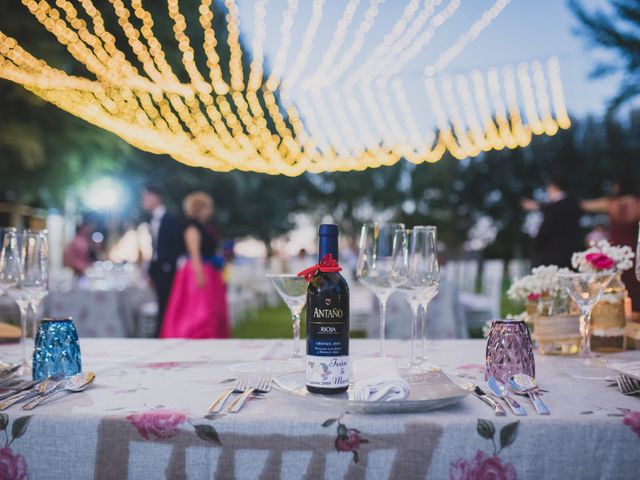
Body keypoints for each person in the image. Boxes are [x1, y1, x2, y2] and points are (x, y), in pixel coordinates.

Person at [161, 192, 230, 338]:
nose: (210, 210)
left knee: (211, 307)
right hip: (199, 269)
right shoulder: (192, 227)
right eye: (207, 207)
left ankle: (212, 334)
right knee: (200, 308)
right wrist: (199, 274)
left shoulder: (204, 226)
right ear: (200, 208)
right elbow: (194, 253)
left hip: (210, 269)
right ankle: (198, 334)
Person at [581, 179, 640, 313]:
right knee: (634, 284)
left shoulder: (611, 203)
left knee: (618, 282)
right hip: (633, 250)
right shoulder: (637, 204)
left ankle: (618, 314)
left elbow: (584, 205)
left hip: (616, 250)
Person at [141, 185, 183, 337]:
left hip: (168, 269)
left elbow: (177, 245)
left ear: (156, 198)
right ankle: (161, 333)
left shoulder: (170, 219)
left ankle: (164, 333)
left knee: (167, 303)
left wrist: (168, 265)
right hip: (157, 268)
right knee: (161, 302)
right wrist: (151, 270)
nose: (143, 201)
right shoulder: (151, 219)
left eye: (146, 197)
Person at [521, 177, 582, 268]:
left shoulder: (553, 208)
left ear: (553, 187)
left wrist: (536, 246)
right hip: (573, 254)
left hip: (553, 255)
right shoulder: (574, 204)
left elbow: (545, 231)